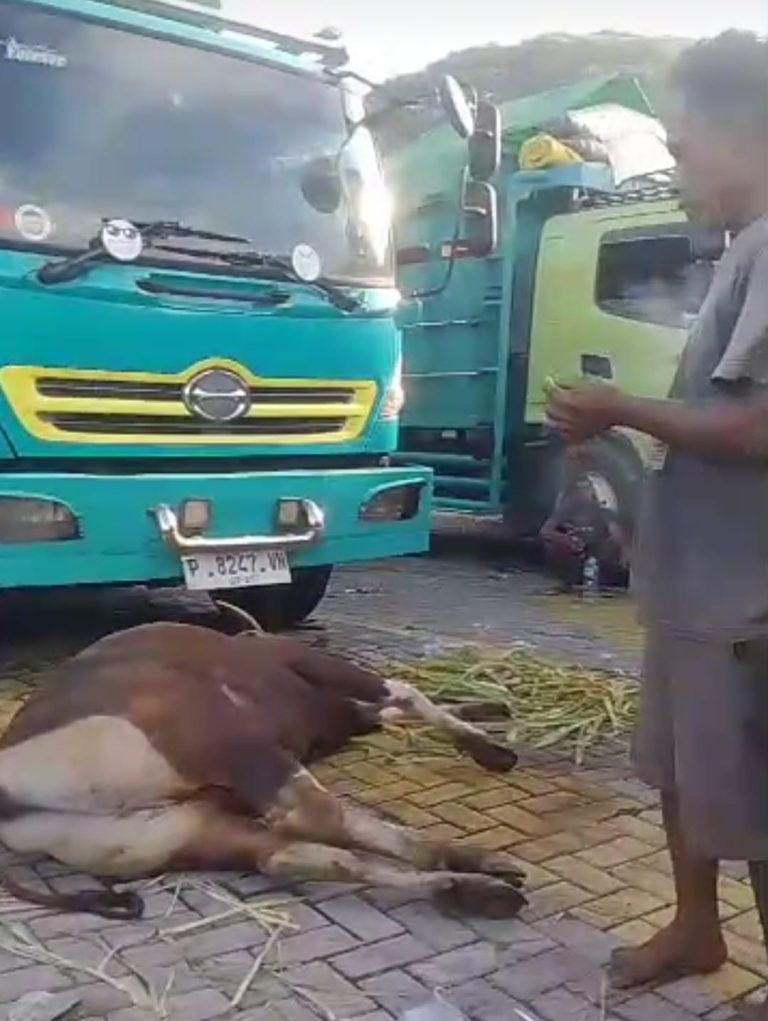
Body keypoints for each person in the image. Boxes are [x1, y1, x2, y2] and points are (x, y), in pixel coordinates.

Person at [546, 31, 768, 1018]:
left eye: (682, 147)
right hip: (697, 589)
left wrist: (620, 412)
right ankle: (694, 926)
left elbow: (761, 427)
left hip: (748, 601)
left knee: (754, 794)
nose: (675, 168)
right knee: (680, 768)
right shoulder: (740, 250)